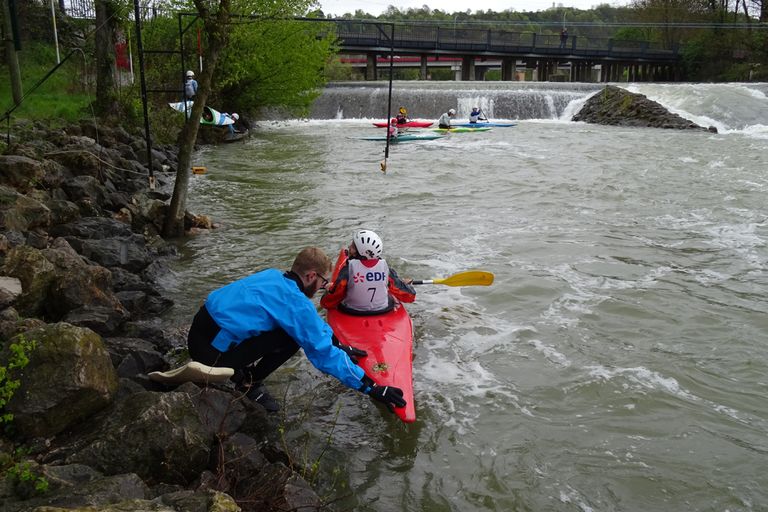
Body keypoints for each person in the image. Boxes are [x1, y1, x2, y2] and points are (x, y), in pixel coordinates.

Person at [186, 247, 407, 413]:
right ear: (311, 275)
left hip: (199, 333)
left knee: (289, 329)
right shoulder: (296, 303)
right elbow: (322, 354)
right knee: (293, 338)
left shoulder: (272, 276)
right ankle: (247, 382)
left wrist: (337, 343)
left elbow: (311, 325)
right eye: (323, 281)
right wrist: (373, 388)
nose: (323, 286)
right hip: (212, 356)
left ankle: (241, 371)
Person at [321, 230, 416, 314]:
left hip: (353, 310)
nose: (349, 247)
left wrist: (329, 290)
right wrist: (405, 285)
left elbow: (328, 302)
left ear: (361, 252)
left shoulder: (348, 270)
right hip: (382, 310)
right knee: (391, 291)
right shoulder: (386, 269)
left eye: (353, 246)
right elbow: (410, 296)